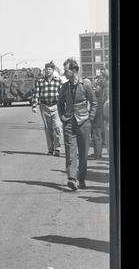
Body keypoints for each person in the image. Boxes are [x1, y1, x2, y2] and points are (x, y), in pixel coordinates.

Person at [58, 58, 97, 191]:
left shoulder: (85, 84)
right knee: (70, 151)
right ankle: (72, 178)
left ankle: (81, 179)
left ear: (74, 70)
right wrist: (62, 117)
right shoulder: (64, 87)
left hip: (84, 122)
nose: (64, 73)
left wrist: (90, 119)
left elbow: (94, 103)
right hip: (69, 122)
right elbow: (60, 103)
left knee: (84, 152)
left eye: (66, 70)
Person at [32, 61, 63, 156]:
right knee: (48, 129)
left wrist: (64, 105)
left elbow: (62, 94)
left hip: (56, 106)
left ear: (53, 70)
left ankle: (57, 148)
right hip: (44, 107)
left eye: (50, 69)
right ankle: (50, 149)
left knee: (57, 127)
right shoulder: (40, 81)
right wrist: (34, 105)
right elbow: (36, 94)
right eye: (46, 69)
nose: (48, 71)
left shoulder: (58, 81)